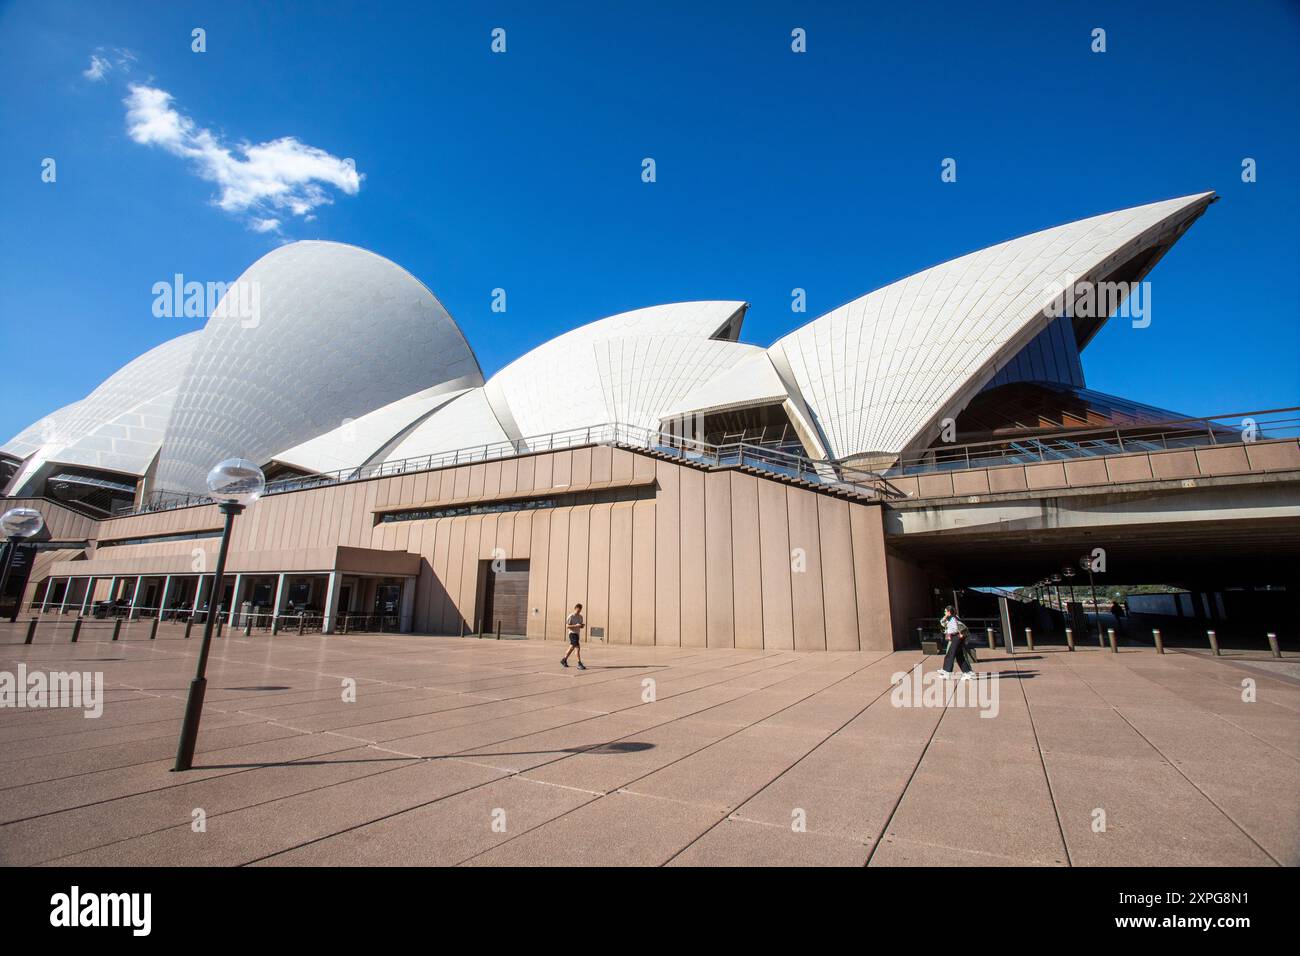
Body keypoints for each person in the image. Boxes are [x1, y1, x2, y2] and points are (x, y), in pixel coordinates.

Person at [937, 606, 974, 680]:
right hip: (956, 638)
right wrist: (945, 616)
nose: (944, 613)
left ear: (949, 612)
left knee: (950, 655)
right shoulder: (950, 618)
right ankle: (967, 672)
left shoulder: (954, 618)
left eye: (945, 611)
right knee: (959, 656)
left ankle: (947, 672)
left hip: (956, 638)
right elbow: (942, 623)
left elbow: (957, 628)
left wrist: (951, 633)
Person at [561, 603, 586, 670]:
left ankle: (564, 660)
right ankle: (579, 663)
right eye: (578, 610)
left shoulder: (580, 617)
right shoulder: (571, 616)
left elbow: (579, 626)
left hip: (577, 634)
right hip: (572, 634)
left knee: (571, 648)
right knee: (577, 648)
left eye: (580, 610)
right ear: (575, 608)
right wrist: (576, 625)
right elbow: (567, 626)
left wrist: (581, 626)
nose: (579, 611)